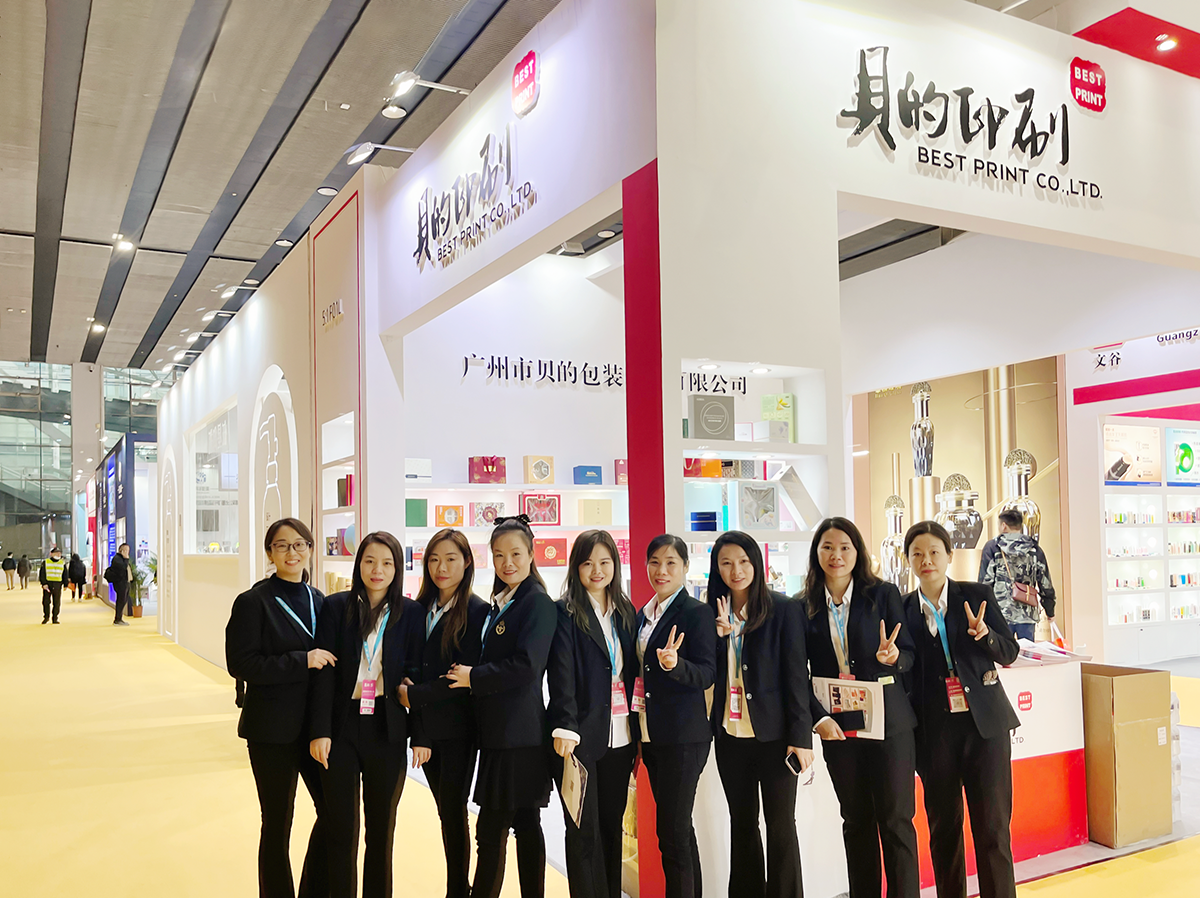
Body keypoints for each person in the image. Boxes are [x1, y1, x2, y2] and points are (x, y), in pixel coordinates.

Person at [902, 521, 1020, 898]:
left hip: (985, 729)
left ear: (949, 556)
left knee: (993, 830)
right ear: (908, 560)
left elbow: (1010, 652)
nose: (927, 560)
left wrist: (985, 636)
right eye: (917, 553)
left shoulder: (976, 595)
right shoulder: (903, 609)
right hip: (933, 734)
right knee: (944, 832)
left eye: (934, 552)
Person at [802, 518, 919, 898]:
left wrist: (894, 657)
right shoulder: (803, 606)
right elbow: (794, 672)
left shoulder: (883, 594)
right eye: (827, 547)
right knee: (855, 821)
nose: (836, 555)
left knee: (896, 821)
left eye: (844, 547)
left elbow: (910, 655)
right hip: (838, 726)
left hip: (889, 723)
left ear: (858, 552)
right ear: (816, 552)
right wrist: (817, 717)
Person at [444, 515, 557, 898]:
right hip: (502, 733)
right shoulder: (504, 601)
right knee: (525, 823)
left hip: (516, 737)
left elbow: (528, 666)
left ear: (531, 554)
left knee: (491, 831)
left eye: (515, 554)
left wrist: (474, 677)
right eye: (498, 555)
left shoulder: (537, 603)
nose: (507, 562)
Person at [309, 531, 426, 898]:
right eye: (370, 561)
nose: (378, 570)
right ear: (358, 564)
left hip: (387, 728)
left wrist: (421, 736)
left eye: (387, 563)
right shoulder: (335, 606)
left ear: (398, 568)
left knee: (381, 831)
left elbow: (417, 676)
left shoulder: (411, 613)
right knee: (341, 830)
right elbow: (324, 673)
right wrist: (320, 730)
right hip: (341, 726)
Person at [225, 518, 332, 898]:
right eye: (282, 545)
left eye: (299, 544)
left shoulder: (321, 601)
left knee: (333, 813)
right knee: (277, 823)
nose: (292, 552)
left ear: (310, 549)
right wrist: (301, 661)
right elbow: (241, 664)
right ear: (270, 553)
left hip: (315, 728)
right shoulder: (253, 602)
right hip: (271, 730)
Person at [707, 530, 813, 898]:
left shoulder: (783, 610)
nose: (736, 570)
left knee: (781, 826)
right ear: (717, 569)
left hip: (775, 738)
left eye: (743, 561)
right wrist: (719, 638)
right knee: (742, 824)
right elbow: (707, 674)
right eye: (726, 563)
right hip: (730, 737)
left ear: (757, 563)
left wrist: (801, 738)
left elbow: (797, 677)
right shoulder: (710, 615)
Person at [546, 530, 640, 898]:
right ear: (576, 567)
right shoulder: (564, 612)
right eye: (588, 563)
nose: (597, 570)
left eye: (604, 562)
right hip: (579, 737)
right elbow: (561, 675)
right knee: (582, 831)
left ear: (615, 565)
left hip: (622, 735)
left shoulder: (626, 612)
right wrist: (565, 725)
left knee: (611, 826)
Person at [399, 529, 489, 898]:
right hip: (423, 726)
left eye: (451, 559)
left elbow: (459, 678)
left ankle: (457, 890)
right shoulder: (416, 608)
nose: (442, 567)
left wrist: (413, 694)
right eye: (434, 559)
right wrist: (418, 728)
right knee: (444, 811)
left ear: (467, 562)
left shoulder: (478, 612)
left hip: (458, 730)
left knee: (453, 812)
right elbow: (409, 667)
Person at [636, 534, 717, 898]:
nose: (662, 570)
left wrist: (675, 665)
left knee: (671, 832)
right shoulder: (643, 614)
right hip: (651, 735)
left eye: (671, 562)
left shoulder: (696, 613)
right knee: (678, 831)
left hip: (684, 737)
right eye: (655, 562)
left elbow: (707, 673)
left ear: (685, 566)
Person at [978, 511, 1056, 641]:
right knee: (1027, 651)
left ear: (1003, 525)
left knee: (1002, 651)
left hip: (1000, 614)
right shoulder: (1034, 549)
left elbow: (985, 583)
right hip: (1027, 615)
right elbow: (1045, 583)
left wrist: (982, 611)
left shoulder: (993, 547)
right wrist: (1050, 610)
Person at [105, 544, 132, 626]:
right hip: (120, 583)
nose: (128, 552)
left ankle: (119, 618)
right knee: (121, 600)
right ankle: (117, 619)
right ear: (122, 550)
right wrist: (126, 559)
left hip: (125, 582)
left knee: (124, 600)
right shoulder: (117, 559)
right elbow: (122, 569)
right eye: (126, 550)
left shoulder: (122, 559)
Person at [39, 547, 67, 624]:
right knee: (46, 602)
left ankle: (55, 618)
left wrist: (65, 584)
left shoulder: (62, 563)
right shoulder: (46, 562)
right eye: (56, 553)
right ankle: (46, 617)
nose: (58, 554)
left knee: (57, 602)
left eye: (59, 553)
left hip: (58, 584)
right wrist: (43, 583)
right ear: (51, 554)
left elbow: (65, 574)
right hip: (48, 584)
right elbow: (42, 574)